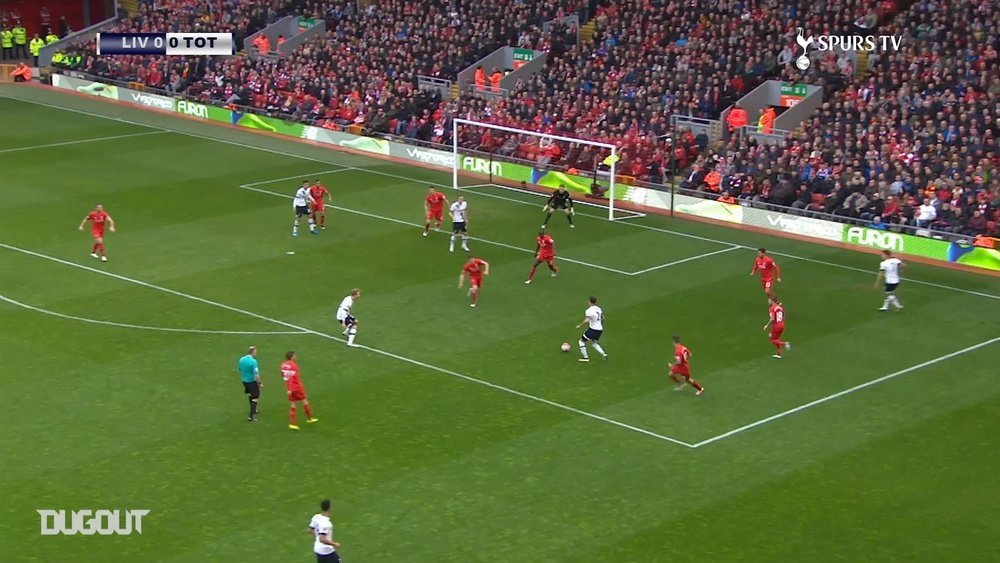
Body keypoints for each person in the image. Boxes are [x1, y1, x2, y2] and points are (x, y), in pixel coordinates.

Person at [280, 351, 317, 430]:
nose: (295, 357)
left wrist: (289, 388)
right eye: (294, 355)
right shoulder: (294, 366)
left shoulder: (283, 365)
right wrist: (291, 388)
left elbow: (283, 375)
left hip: (289, 387)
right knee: (305, 401)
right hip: (296, 387)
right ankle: (310, 419)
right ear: (292, 357)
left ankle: (292, 423)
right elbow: (292, 377)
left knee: (293, 405)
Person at [574, 296, 608, 362]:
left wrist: (579, 325)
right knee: (594, 343)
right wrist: (599, 324)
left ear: (589, 302)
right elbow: (603, 318)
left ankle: (586, 358)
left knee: (581, 341)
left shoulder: (589, 311)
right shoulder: (598, 308)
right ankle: (604, 354)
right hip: (599, 329)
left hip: (593, 329)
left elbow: (587, 320)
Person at [237, 346, 262, 422]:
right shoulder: (253, 361)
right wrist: (260, 383)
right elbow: (256, 374)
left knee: (251, 395)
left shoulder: (241, 359)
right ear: (253, 352)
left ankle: (254, 409)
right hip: (252, 381)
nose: (256, 353)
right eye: (255, 351)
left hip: (244, 381)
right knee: (256, 397)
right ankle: (251, 416)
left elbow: (240, 370)